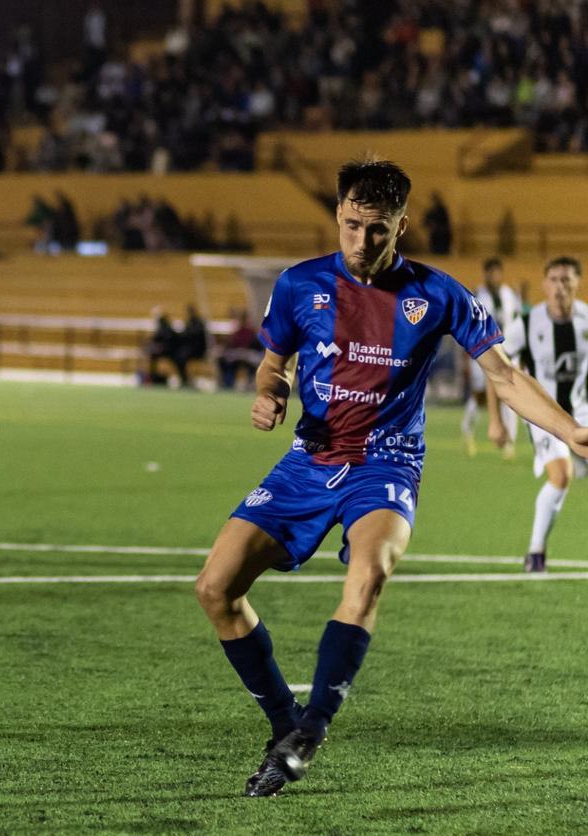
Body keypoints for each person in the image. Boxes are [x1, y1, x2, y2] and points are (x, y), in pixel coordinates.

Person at [193, 159, 588, 798]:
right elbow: (274, 365)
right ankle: (283, 726)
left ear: (401, 226)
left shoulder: (438, 295)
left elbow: (506, 377)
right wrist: (269, 394)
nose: (361, 242)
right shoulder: (300, 285)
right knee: (215, 587)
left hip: (386, 464)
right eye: (351, 225)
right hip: (309, 460)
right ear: (340, 216)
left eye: (377, 230)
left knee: (370, 572)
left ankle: (312, 731)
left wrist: (569, 431)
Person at [488, 257, 588, 573]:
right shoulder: (527, 324)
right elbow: (496, 367)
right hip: (546, 415)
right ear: (545, 284)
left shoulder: (587, 319)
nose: (560, 287)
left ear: (577, 283)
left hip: (583, 413)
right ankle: (535, 553)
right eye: (554, 280)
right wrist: (496, 420)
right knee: (561, 475)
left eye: (566, 280)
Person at [462, 257, 522, 457]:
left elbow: (518, 321)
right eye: (491, 273)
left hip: (507, 352)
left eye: (497, 272)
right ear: (485, 274)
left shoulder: (510, 294)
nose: (494, 276)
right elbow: (467, 325)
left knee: (509, 396)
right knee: (479, 396)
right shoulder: (477, 294)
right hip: (481, 351)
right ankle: (467, 430)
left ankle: (509, 441)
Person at [422, 191, 452, 255]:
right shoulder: (432, 211)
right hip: (436, 235)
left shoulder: (441, 210)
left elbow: (445, 222)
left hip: (442, 235)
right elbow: (425, 221)